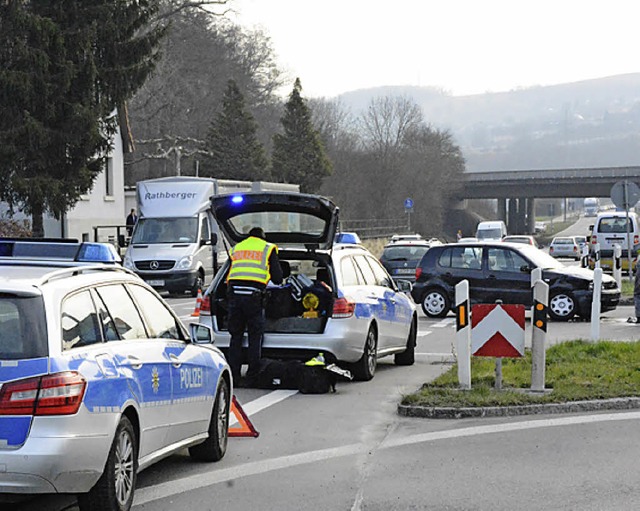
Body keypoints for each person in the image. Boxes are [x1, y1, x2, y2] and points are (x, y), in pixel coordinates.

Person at [227, 227, 283, 386]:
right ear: (262, 237)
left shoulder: (237, 248)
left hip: (234, 298)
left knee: (235, 337)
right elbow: (278, 278)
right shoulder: (267, 248)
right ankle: (252, 376)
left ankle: (234, 377)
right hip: (253, 298)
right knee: (254, 337)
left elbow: (230, 274)